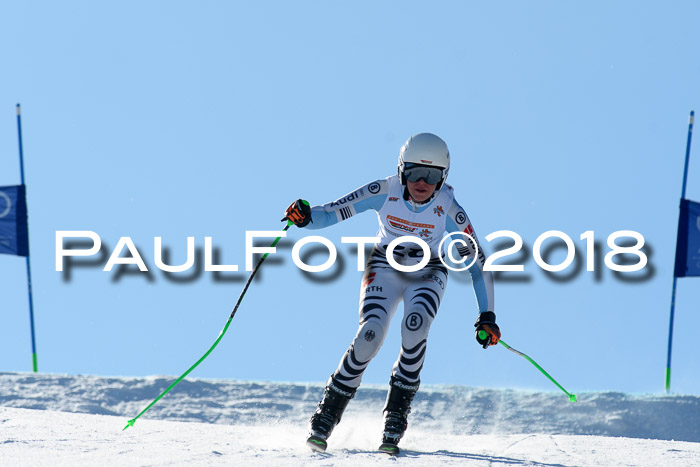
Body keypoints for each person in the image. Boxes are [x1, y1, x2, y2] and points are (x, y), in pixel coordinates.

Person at [283, 133, 499, 454]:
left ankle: (396, 414)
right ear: (401, 170)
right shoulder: (384, 191)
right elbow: (330, 213)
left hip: (429, 270)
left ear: (444, 177)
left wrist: (487, 315)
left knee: (415, 328)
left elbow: (477, 263)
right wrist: (305, 216)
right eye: (413, 173)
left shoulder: (449, 207)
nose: (422, 182)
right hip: (385, 263)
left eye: (433, 176)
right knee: (370, 333)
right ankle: (328, 412)